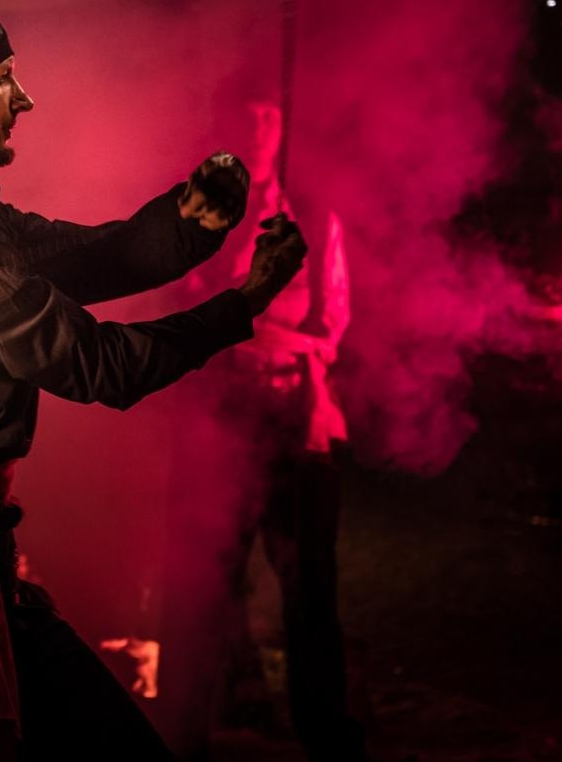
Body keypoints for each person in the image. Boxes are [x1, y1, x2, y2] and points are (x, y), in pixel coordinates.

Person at [0, 0, 309, 761]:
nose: (24, 98)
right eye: (3, 78)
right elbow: (103, 366)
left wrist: (193, 220)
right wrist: (245, 304)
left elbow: (95, 258)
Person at [158, 99, 365, 761]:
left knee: (309, 586)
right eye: (241, 129)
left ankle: (324, 730)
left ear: (278, 138)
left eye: (265, 127)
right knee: (201, 583)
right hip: (218, 425)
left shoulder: (313, 222)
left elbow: (330, 330)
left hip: (294, 423)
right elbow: (185, 314)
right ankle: (183, 725)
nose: (253, 140)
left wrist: (249, 324)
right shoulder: (202, 226)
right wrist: (247, 315)